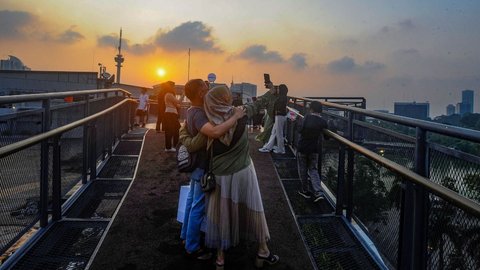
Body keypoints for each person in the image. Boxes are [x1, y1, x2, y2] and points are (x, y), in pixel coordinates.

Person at [203, 85, 279, 270]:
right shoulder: (240, 113)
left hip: (220, 173)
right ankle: (262, 249)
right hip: (243, 170)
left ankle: (220, 257)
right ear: (226, 98)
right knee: (253, 205)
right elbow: (257, 103)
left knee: (221, 212)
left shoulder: (206, 119)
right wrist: (271, 92)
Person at [178, 79, 245, 260]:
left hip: (196, 165)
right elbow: (214, 132)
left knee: (192, 202)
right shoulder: (199, 114)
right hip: (201, 166)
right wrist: (235, 117)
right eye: (206, 88)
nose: (209, 90)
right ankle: (192, 247)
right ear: (200, 93)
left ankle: (185, 237)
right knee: (198, 206)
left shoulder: (191, 110)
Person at [296, 101, 328, 202]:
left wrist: (295, 121)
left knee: (303, 169)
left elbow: (300, 129)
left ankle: (305, 191)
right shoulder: (323, 121)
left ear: (312, 109)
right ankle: (318, 192)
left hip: (302, 147)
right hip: (314, 149)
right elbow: (327, 137)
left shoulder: (307, 117)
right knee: (313, 170)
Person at [258, 84, 288, 154]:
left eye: (278, 89)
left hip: (279, 116)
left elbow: (278, 107)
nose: (277, 90)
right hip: (279, 116)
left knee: (278, 133)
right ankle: (269, 147)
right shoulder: (282, 97)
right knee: (274, 132)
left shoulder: (282, 98)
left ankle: (280, 149)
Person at [163, 85, 182, 152]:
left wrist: (178, 105)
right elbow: (178, 102)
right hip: (170, 114)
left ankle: (173, 146)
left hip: (171, 114)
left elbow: (177, 105)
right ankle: (169, 147)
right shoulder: (169, 94)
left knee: (175, 129)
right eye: (173, 87)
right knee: (171, 130)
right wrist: (184, 94)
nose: (174, 88)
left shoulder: (168, 95)